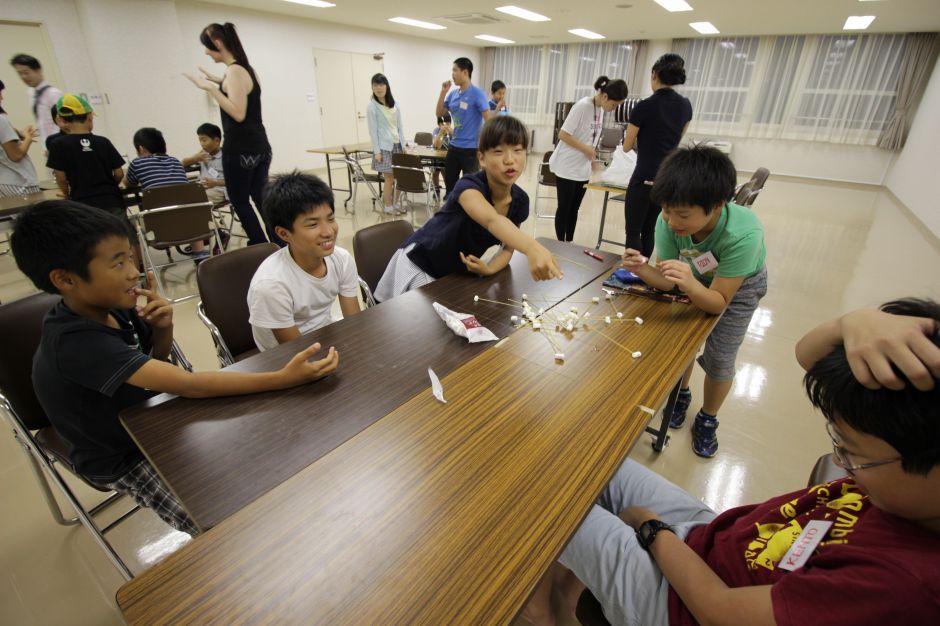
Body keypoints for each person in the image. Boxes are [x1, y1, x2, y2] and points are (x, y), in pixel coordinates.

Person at [522, 298, 940, 626]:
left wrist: (652, 530)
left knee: (540, 496)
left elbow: (718, 610)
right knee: (583, 460)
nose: (839, 461)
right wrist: (857, 321)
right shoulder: (904, 487)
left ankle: (537, 609)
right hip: (716, 539)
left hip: (678, 605)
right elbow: (809, 354)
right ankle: (567, 571)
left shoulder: (905, 585)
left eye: (853, 454)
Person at [10, 201, 339, 534]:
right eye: (117, 263)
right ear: (65, 279)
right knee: (217, 525)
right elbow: (187, 384)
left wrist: (163, 326)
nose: (132, 271)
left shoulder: (111, 305)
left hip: (153, 413)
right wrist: (282, 379)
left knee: (260, 457)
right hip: (122, 453)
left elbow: (156, 360)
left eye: (130, 257)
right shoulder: (75, 342)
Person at [623, 145, 766, 457]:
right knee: (682, 344)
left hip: (737, 288)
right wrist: (642, 270)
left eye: (683, 214)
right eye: (666, 210)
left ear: (716, 205)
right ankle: (681, 396)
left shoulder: (743, 234)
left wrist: (688, 284)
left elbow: (717, 303)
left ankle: (707, 418)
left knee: (720, 356)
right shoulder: (669, 219)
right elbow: (666, 281)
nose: (672, 221)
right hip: (694, 279)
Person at [374, 116, 562, 302]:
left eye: (518, 150)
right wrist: (532, 247)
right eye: (498, 151)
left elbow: (507, 248)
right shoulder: (468, 187)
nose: (510, 160)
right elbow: (492, 220)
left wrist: (490, 268)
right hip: (420, 262)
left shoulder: (520, 201)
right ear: (482, 158)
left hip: (452, 275)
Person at [185, 22, 279, 246]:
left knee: (239, 200)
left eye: (207, 47)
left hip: (240, 149)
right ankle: (278, 243)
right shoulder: (246, 69)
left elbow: (238, 112)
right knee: (259, 197)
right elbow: (242, 89)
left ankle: (260, 244)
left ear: (217, 43)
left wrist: (211, 88)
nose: (206, 52)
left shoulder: (235, 71)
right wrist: (218, 80)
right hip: (260, 147)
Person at [247, 172, 361, 352]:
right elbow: (298, 354)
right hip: (282, 359)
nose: (328, 231)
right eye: (313, 224)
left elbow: (354, 326)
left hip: (325, 337)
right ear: (284, 234)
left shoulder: (341, 259)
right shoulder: (271, 284)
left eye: (330, 218)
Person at [622, 53, 693, 258]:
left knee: (634, 230)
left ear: (654, 74)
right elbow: (677, 139)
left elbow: (627, 146)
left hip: (643, 175)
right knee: (650, 228)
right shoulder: (685, 105)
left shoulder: (644, 106)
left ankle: (632, 275)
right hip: (667, 179)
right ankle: (644, 271)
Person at [549, 76, 628, 242]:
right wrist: (585, 149)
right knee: (564, 208)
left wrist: (592, 159)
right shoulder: (582, 106)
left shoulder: (599, 109)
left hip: (582, 169)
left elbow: (589, 138)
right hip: (567, 167)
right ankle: (560, 244)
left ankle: (569, 242)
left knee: (574, 209)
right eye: (614, 105)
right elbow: (563, 134)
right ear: (605, 96)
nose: (613, 109)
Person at [45, 94, 130, 235]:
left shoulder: (58, 144)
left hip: (82, 202)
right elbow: (119, 173)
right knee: (123, 235)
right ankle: (136, 257)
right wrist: (109, 185)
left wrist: (66, 194)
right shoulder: (103, 142)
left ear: (62, 120)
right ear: (89, 117)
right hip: (111, 199)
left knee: (93, 238)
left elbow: (60, 177)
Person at [125, 127, 208, 259]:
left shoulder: (137, 163)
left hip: (160, 228)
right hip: (191, 226)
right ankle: (199, 254)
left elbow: (127, 183)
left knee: (128, 222)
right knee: (188, 208)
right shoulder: (175, 161)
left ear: (141, 149)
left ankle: (140, 264)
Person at [436, 57, 493, 196]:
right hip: (454, 148)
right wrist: (443, 92)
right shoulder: (452, 94)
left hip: (471, 150)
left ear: (465, 72)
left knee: (470, 189)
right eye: (452, 71)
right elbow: (439, 113)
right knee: (451, 189)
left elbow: (489, 121)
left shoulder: (477, 94)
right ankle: (452, 215)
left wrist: (485, 147)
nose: (452, 74)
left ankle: (467, 216)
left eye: (455, 70)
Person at [366, 73, 406, 215]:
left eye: (381, 84)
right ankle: (388, 206)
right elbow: (373, 131)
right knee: (389, 179)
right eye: (375, 85)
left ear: (387, 86)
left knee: (400, 178)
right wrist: (376, 151)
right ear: (372, 87)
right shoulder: (372, 107)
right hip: (383, 147)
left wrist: (404, 145)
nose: (378, 88)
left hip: (398, 145)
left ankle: (394, 204)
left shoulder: (395, 104)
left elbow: (400, 126)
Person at [9, 53, 63, 149]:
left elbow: (64, 123)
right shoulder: (31, 93)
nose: (23, 77)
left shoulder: (53, 94)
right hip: (48, 145)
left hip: (59, 145)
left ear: (38, 70)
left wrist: (54, 145)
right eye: (20, 74)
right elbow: (45, 121)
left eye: (26, 72)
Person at [0, 78, 40, 197]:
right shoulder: (1, 120)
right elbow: (16, 155)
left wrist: (19, 134)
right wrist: (28, 138)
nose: (2, 98)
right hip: (19, 182)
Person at [181, 122, 227, 205]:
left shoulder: (226, 157)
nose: (201, 144)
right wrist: (195, 158)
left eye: (204, 140)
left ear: (216, 141)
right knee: (181, 195)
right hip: (202, 188)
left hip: (220, 190)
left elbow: (235, 180)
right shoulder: (203, 154)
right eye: (200, 140)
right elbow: (183, 163)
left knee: (196, 199)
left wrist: (215, 182)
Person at [430, 114, 452, 198]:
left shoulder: (452, 132)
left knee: (445, 171)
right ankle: (436, 190)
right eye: (442, 124)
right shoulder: (436, 131)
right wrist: (440, 133)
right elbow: (436, 145)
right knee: (435, 171)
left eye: (447, 123)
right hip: (437, 156)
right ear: (438, 125)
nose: (444, 126)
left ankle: (448, 190)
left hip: (448, 157)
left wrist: (450, 133)